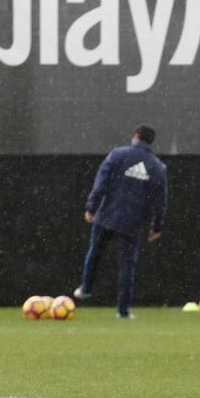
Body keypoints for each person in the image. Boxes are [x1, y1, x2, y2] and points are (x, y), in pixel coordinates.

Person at [74, 124, 167, 319]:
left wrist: (92, 207)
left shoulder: (118, 155)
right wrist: (156, 226)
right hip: (132, 223)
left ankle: (86, 288)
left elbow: (101, 182)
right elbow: (160, 201)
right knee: (127, 266)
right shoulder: (157, 166)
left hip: (106, 215)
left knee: (95, 253)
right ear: (151, 142)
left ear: (135, 136)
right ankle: (123, 310)